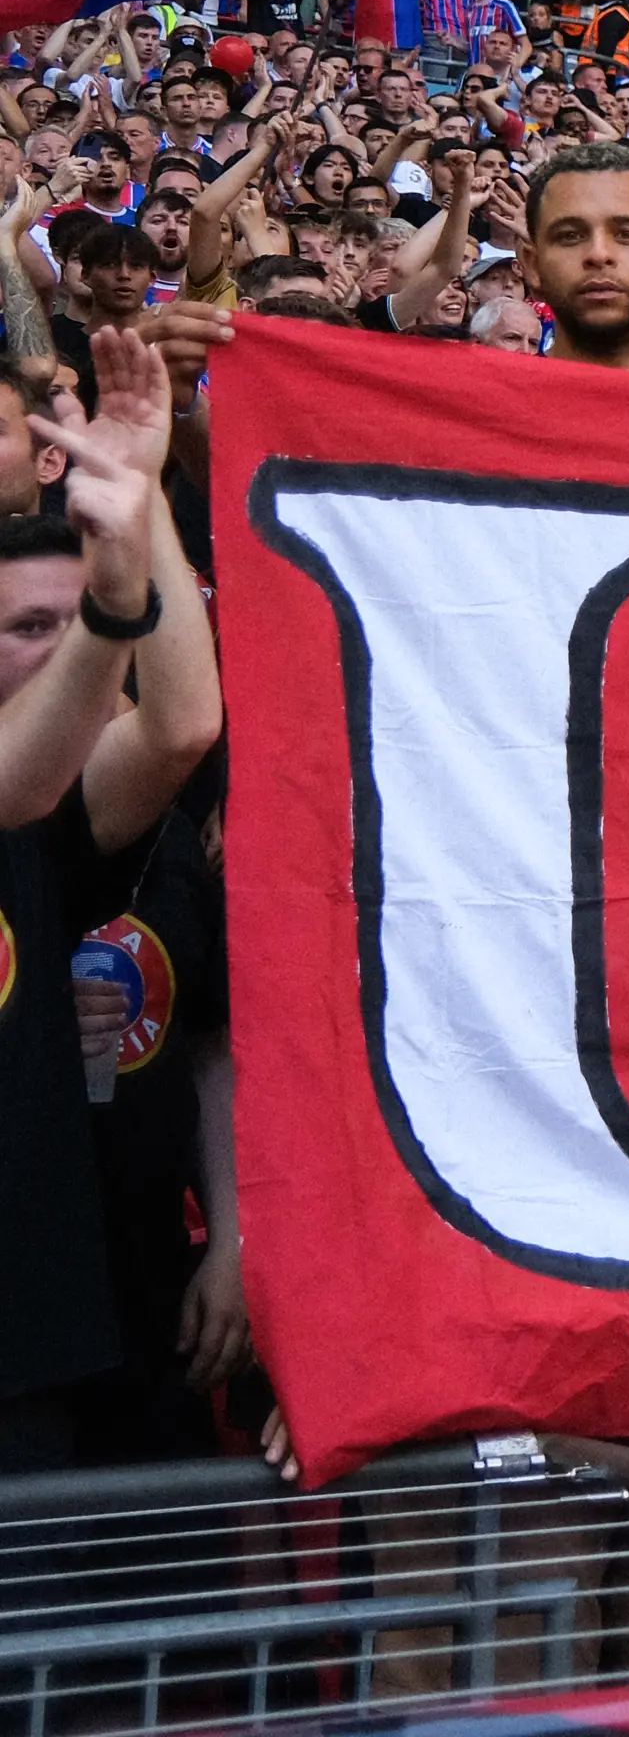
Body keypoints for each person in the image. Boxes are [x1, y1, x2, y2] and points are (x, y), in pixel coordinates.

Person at [0, 327, 226, 1470]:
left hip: (39, 1334)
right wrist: (107, 604)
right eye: (20, 630)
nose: (49, 654)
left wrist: (141, 521)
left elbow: (183, 724)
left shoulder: (39, 820)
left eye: (61, 626)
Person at [521, 143, 629, 374]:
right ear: (532, 264)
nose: (599, 254)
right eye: (570, 236)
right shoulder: (479, 407)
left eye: (627, 234)